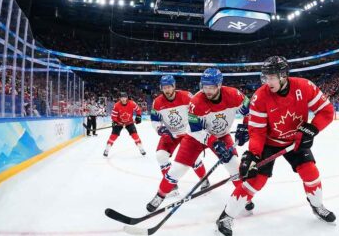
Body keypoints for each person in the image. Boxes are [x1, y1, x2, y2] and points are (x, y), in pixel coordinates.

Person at [216, 56, 336, 236]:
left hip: (295, 140)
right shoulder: (260, 97)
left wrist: (312, 128)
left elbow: (327, 111)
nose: (267, 81)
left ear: (283, 76)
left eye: (271, 77)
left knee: (310, 172)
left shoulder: (304, 87)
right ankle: (226, 216)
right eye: (265, 77)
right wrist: (253, 155)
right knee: (255, 180)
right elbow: (257, 132)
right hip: (269, 143)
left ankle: (317, 206)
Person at [146, 68, 251, 213]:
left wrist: (246, 126)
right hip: (195, 138)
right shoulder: (196, 101)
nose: (207, 91)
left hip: (222, 135)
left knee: (234, 167)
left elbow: (251, 110)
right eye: (205, 87)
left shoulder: (234, 94)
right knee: (176, 170)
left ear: (219, 85)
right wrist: (213, 142)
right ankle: (160, 195)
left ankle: (244, 198)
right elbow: (196, 130)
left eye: (211, 87)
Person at [150, 75, 208, 196]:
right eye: (164, 87)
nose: (167, 90)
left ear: (174, 86)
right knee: (160, 156)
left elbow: (197, 110)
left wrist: (200, 126)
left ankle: (204, 180)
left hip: (188, 132)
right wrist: (160, 129)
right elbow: (155, 120)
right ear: (161, 88)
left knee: (194, 158)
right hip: (170, 134)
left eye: (169, 87)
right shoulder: (157, 102)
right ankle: (172, 186)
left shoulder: (186, 96)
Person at [103, 92, 146, 157]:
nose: (123, 99)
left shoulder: (132, 103)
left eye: (124, 97)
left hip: (129, 122)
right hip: (119, 123)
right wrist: (115, 121)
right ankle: (107, 149)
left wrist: (138, 117)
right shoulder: (116, 105)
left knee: (135, 135)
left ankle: (141, 148)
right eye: (122, 98)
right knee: (113, 136)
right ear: (120, 98)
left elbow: (138, 110)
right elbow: (113, 116)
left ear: (127, 98)